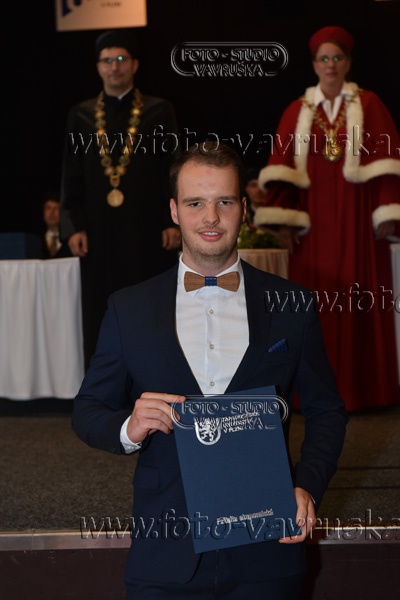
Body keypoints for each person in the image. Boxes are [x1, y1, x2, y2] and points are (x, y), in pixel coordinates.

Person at [72, 141, 348, 599]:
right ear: (174, 211)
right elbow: (87, 409)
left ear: (244, 209)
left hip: (268, 546)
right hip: (165, 553)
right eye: (195, 203)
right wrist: (128, 428)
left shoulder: (292, 305)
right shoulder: (129, 308)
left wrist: (307, 487)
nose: (211, 217)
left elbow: (327, 412)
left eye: (224, 202)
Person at [255, 25, 400, 412]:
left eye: (337, 57)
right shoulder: (297, 110)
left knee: (361, 298)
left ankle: (366, 392)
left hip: (359, 221)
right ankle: (313, 393)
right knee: (314, 305)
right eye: (324, 58)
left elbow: (388, 164)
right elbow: (282, 168)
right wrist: (284, 222)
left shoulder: (370, 104)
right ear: (314, 64)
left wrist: (387, 210)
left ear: (348, 63)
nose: (331, 64)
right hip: (313, 224)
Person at [60, 29, 182, 369]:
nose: (114, 67)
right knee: (99, 309)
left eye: (120, 59)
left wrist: (172, 221)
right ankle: (102, 385)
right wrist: (73, 226)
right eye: (107, 61)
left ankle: (154, 379)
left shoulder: (159, 111)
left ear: (134, 64)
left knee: (151, 305)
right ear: (98, 67)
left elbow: (173, 170)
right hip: (96, 232)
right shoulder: (81, 115)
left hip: (148, 231)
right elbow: (71, 173)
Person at [41, 191, 73, 259]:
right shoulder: (36, 242)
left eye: (56, 208)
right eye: (48, 208)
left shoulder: (71, 241)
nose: (52, 212)